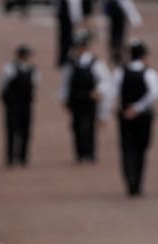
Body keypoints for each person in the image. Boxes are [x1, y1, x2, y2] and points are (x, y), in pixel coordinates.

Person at [112, 39, 158, 197]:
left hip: (125, 115)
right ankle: (138, 182)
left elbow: (113, 91)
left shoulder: (120, 72)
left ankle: (130, 180)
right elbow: (154, 93)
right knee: (141, 149)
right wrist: (138, 107)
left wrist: (125, 108)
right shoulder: (149, 73)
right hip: (143, 117)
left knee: (127, 149)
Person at [60, 30, 112, 164]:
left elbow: (105, 80)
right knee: (76, 125)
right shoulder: (70, 63)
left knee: (89, 125)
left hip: (90, 99)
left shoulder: (96, 63)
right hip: (76, 99)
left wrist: (98, 91)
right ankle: (79, 153)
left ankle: (90, 152)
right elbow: (65, 82)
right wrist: (64, 98)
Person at [0, 45, 39, 167]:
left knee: (25, 130)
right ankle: (10, 157)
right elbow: (3, 85)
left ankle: (23, 156)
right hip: (13, 104)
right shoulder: (9, 69)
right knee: (11, 130)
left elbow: (35, 85)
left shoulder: (33, 70)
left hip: (26, 103)